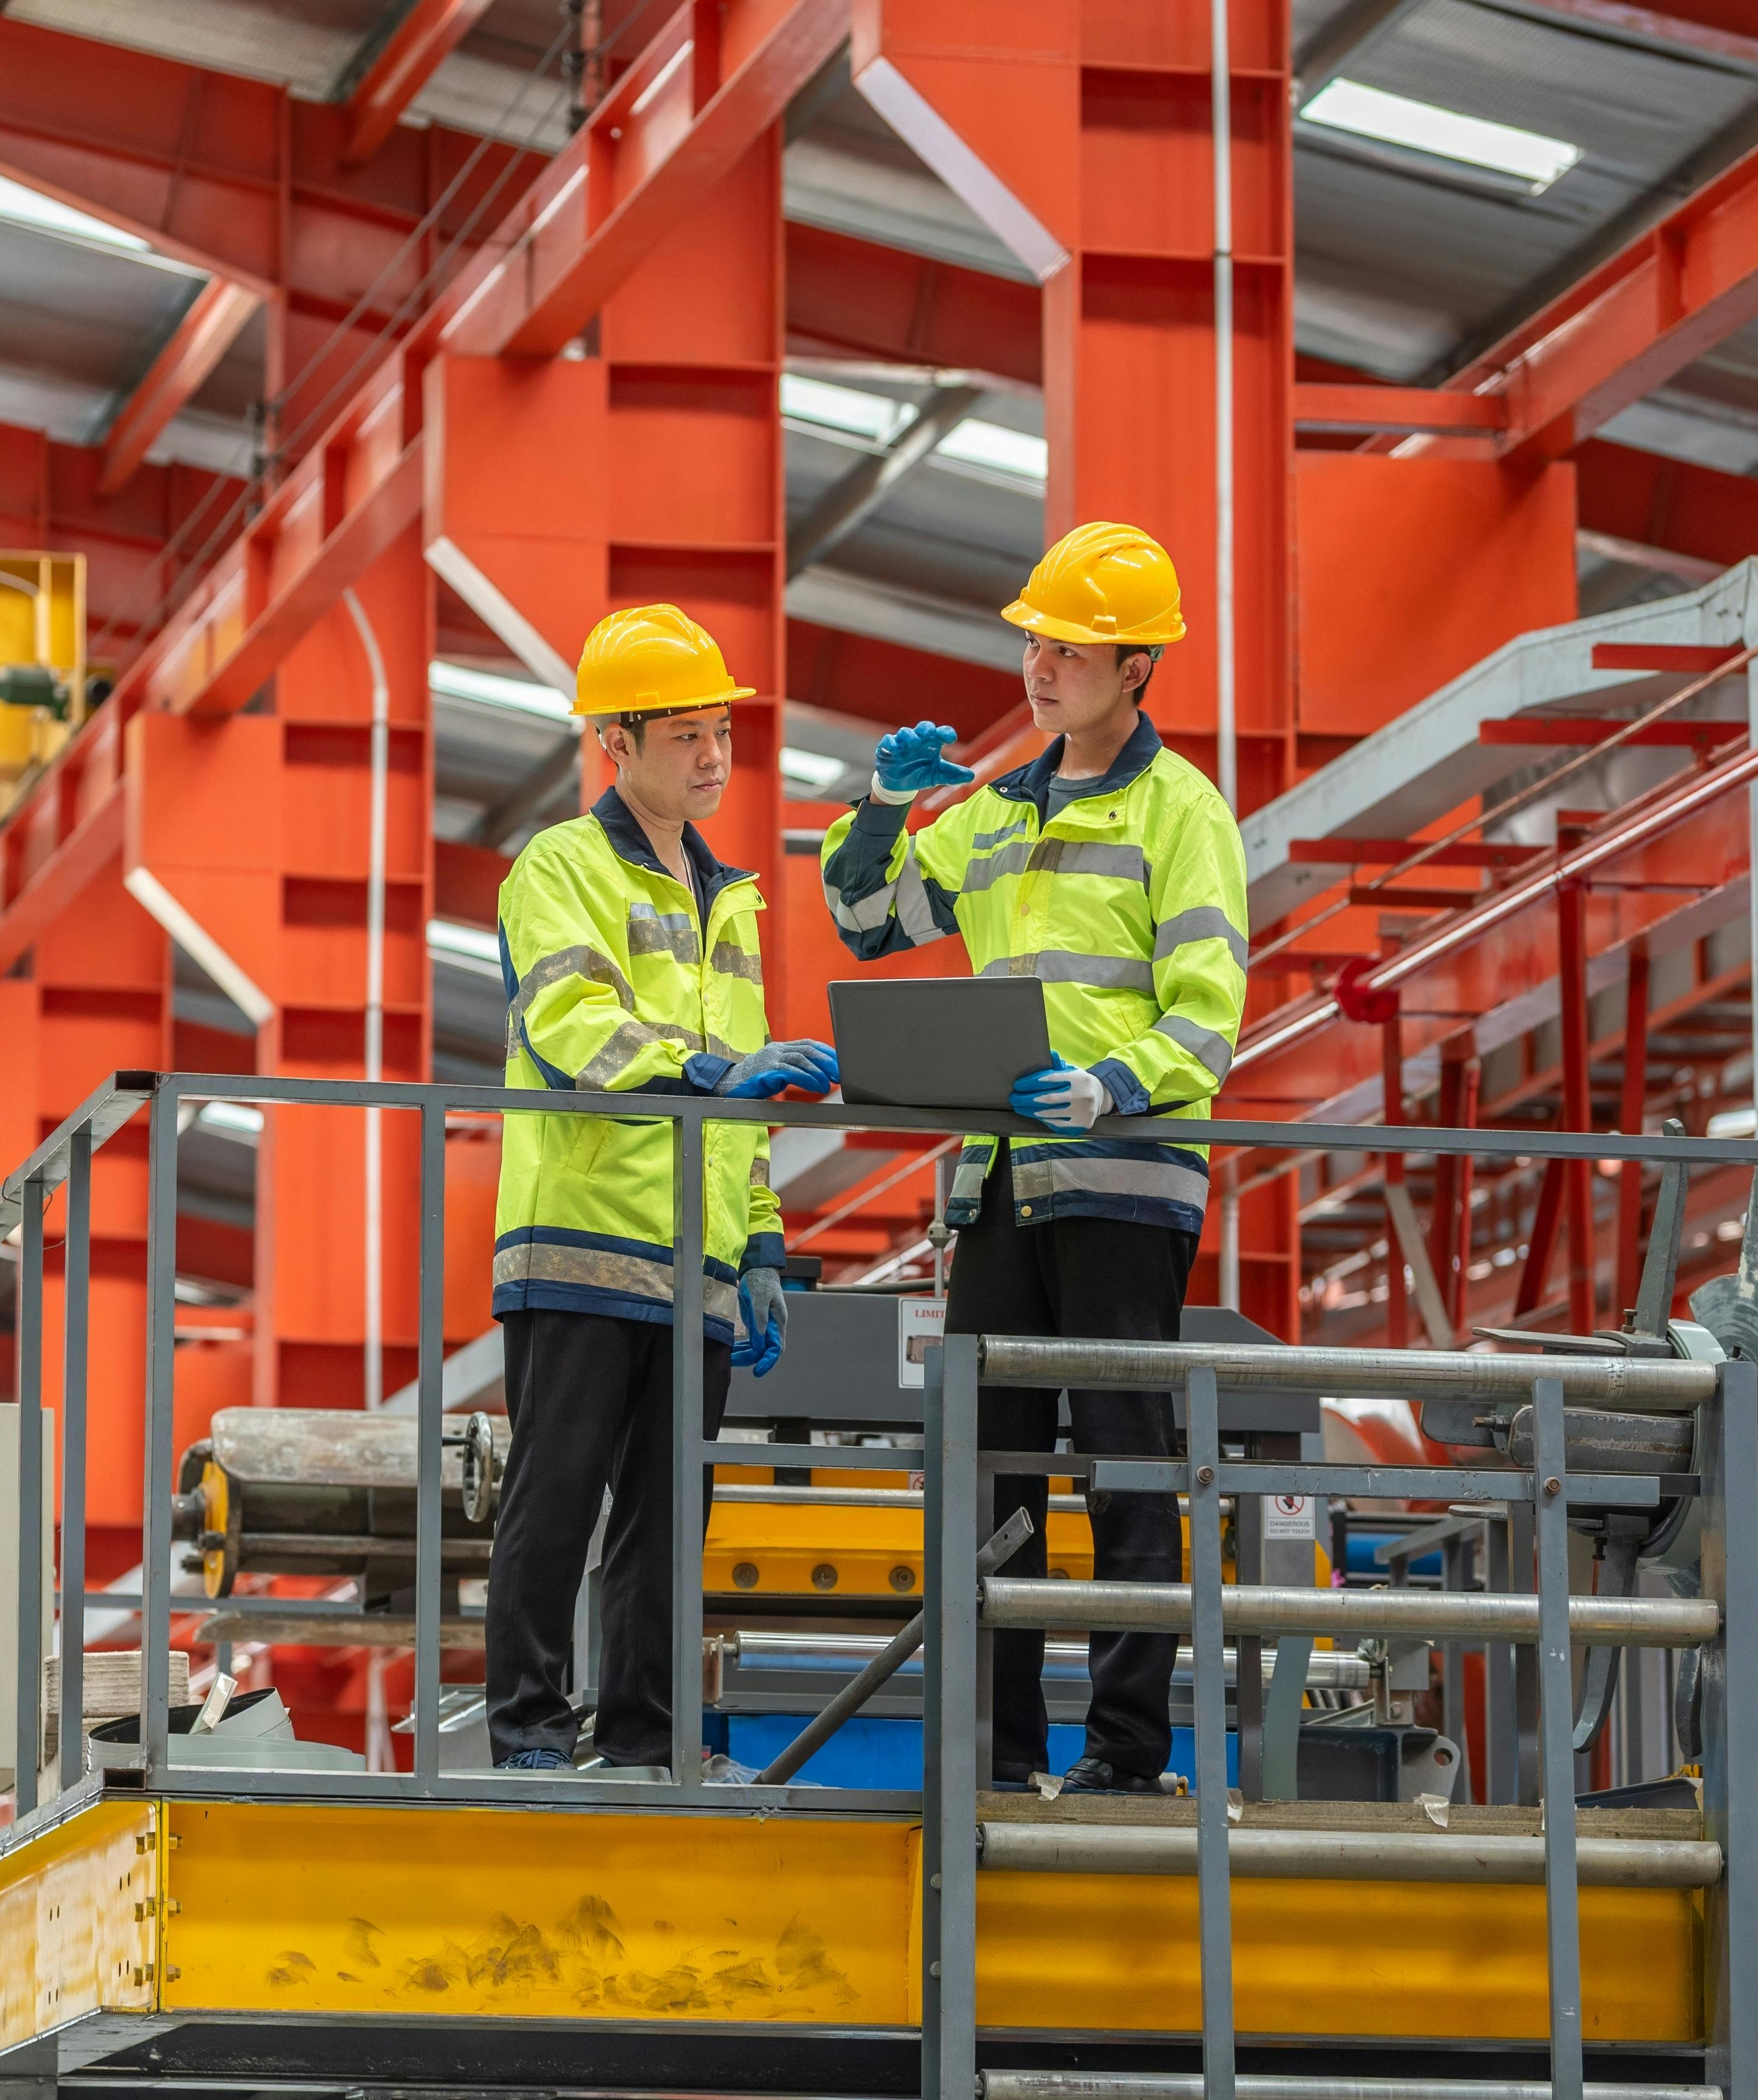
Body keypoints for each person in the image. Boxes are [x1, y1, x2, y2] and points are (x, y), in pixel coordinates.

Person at [816, 522, 1250, 1797]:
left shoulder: (1186, 815)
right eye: (1034, 640)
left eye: (1068, 644)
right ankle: (998, 1758)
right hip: (1000, 1188)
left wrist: (1112, 1083)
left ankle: (1123, 1756)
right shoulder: (993, 810)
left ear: (1139, 666)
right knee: (989, 1475)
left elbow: (1208, 1012)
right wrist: (885, 809)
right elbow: (867, 917)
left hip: (1124, 1182)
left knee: (1125, 1471)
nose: (1041, 664)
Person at [485, 603, 839, 1774]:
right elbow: (572, 1023)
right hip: (582, 1238)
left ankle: (645, 1735)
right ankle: (530, 1726)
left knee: (666, 1514)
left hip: (697, 1260)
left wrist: (765, 1246)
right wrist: (703, 1068)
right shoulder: (562, 867)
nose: (711, 756)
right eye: (685, 733)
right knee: (557, 1497)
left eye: (719, 732)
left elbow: (743, 1118)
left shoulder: (728, 895)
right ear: (615, 743)